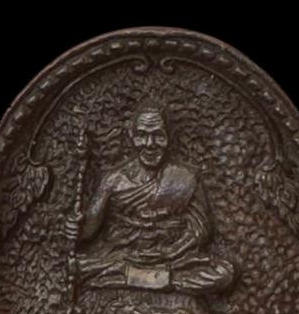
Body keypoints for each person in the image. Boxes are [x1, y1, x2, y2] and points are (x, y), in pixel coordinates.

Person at [65, 102, 234, 295]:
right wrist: (75, 228)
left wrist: (171, 251)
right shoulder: (113, 180)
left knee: (224, 273)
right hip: (123, 257)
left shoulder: (185, 178)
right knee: (75, 267)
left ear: (169, 138)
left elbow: (201, 230)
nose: (150, 144)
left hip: (173, 259)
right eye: (142, 136)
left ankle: (133, 278)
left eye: (158, 135)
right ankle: (157, 279)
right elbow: (89, 230)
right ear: (132, 137)